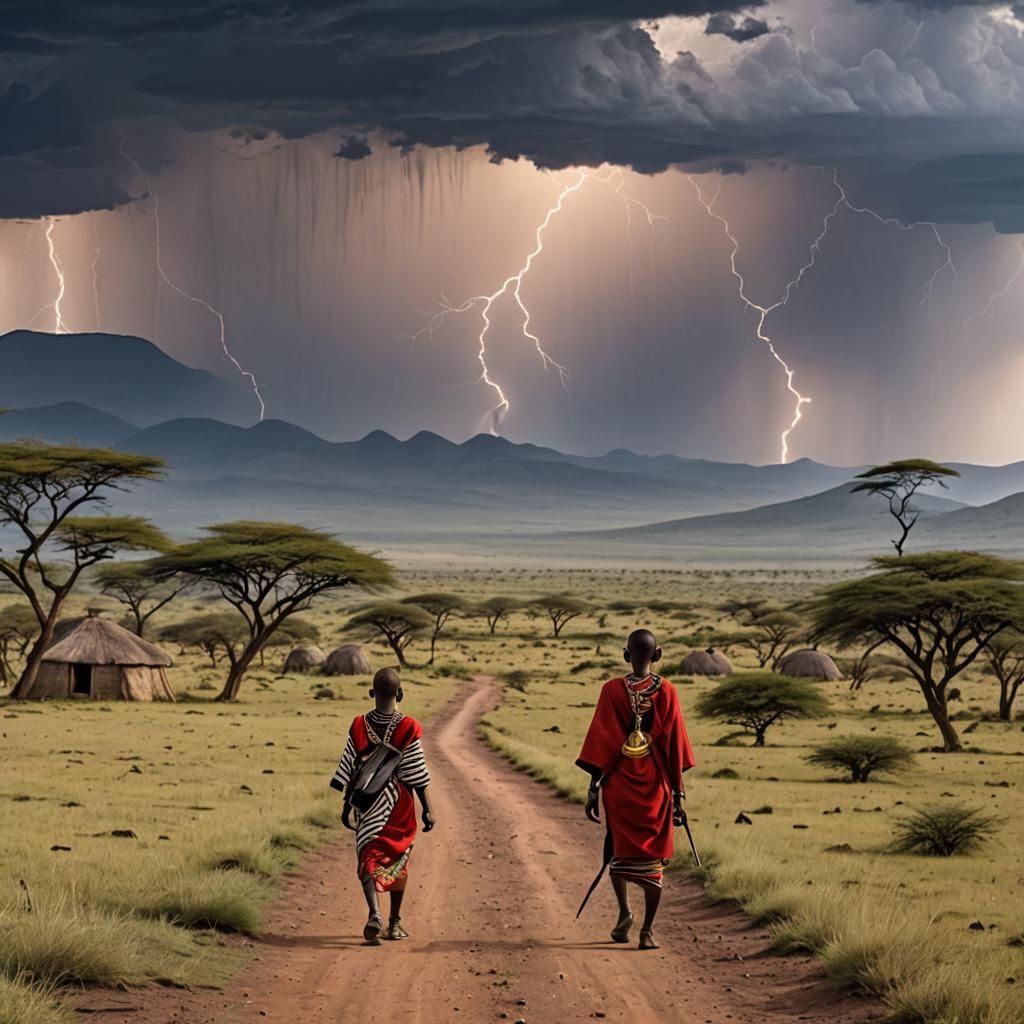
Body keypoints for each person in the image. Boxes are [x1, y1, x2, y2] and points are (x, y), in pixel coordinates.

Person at [576, 628, 695, 950]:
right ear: (657, 655)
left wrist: (592, 790)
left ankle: (624, 913)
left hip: (619, 786)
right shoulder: (668, 691)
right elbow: (674, 747)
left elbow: (601, 744)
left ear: (626, 655)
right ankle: (647, 932)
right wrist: (677, 796)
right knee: (653, 857)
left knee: (619, 849)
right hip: (656, 787)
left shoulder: (612, 690)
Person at [330, 667, 434, 945]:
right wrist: (427, 808)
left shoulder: (358, 725)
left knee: (368, 854)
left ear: (372, 693)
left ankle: (374, 913)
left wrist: (346, 804)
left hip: (367, 801)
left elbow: (350, 768)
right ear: (399, 693)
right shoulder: (408, 727)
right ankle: (394, 923)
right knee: (398, 860)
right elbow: (416, 771)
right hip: (399, 804)